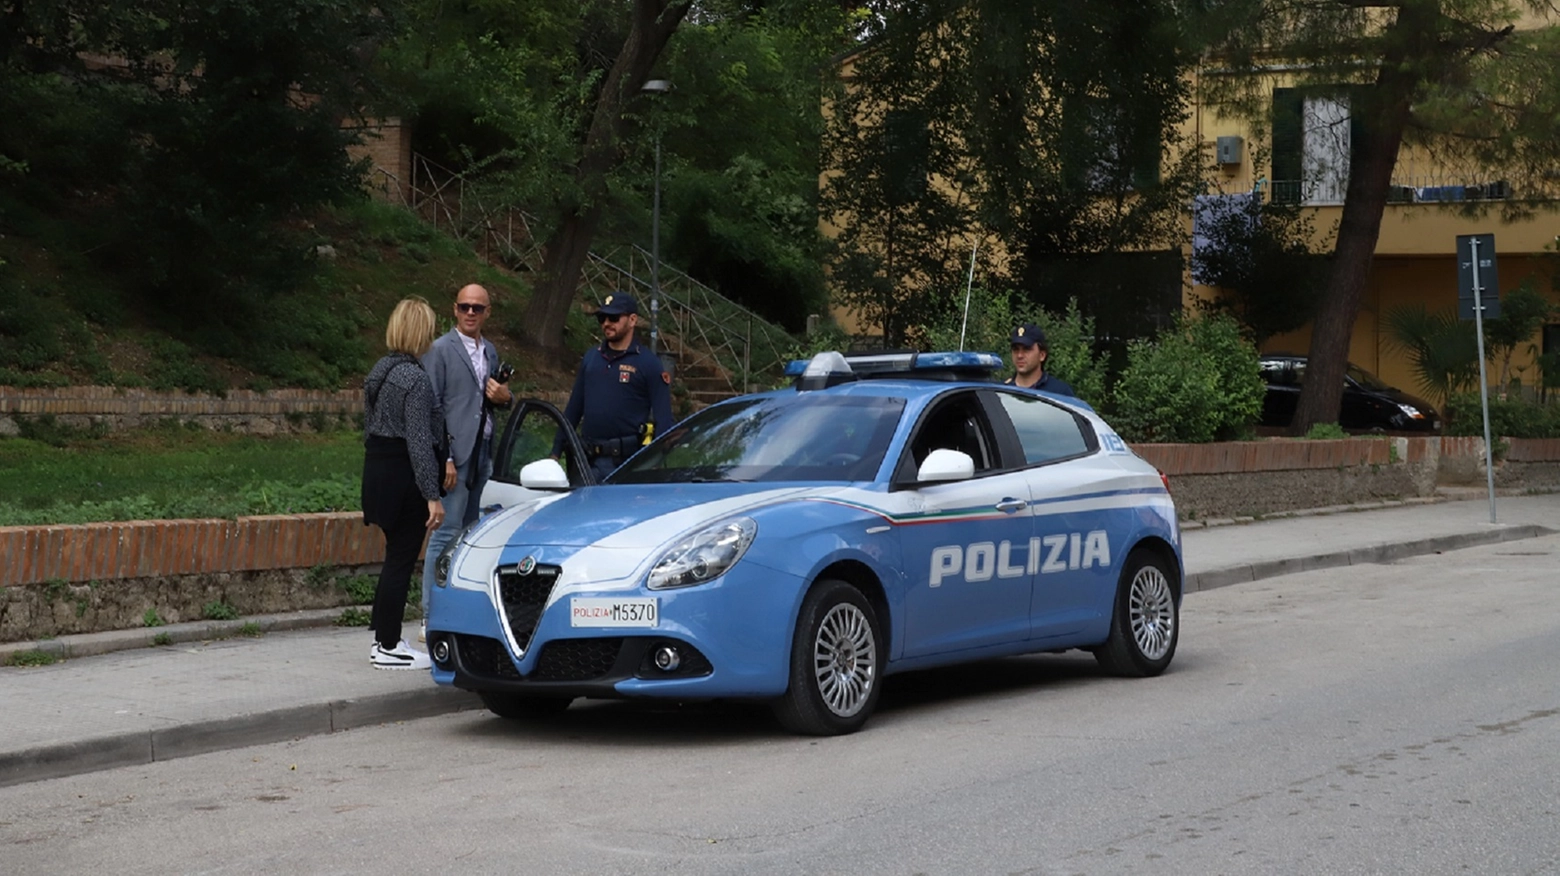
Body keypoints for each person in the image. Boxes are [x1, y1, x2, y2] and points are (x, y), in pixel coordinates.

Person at [420, 283, 514, 625]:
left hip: (482, 450)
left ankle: (461, 612)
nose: (470, 313)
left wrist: (505, 397)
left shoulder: (489, 350)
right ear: (454, 310)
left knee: (473, 534)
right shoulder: (440, 349)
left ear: (488, 312)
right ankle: (431, 617)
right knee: (446, 531)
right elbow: (433, 405)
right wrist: (443, 455)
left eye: (477, 308)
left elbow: (493, 399)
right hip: (454, 454)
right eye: (464, 307)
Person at [361, 297, 445, 670]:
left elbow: (369, 424)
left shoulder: (379, 370)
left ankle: (383, 636)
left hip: (377, 470)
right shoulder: (415, 378)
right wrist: (432, 494)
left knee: (393, 556)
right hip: (403, 475)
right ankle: (388, 644)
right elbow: (419, 439)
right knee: (400, 559)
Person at [559, 291, 676, 480]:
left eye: (613, 317)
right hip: (585, 459)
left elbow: (664, 421)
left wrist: (655, 462)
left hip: (625, 463)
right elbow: (573, 409)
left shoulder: (648, 363)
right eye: (602, 318)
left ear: (632, 320)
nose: (606, 323)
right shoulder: (591, 358)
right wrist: (555, 453)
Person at [1006, 322, 1076, 397]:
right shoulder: (1002, 391)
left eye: (1026, 349)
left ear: (1042, 355)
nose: (1020, 355)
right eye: (1015, 349)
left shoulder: (1059, 392)